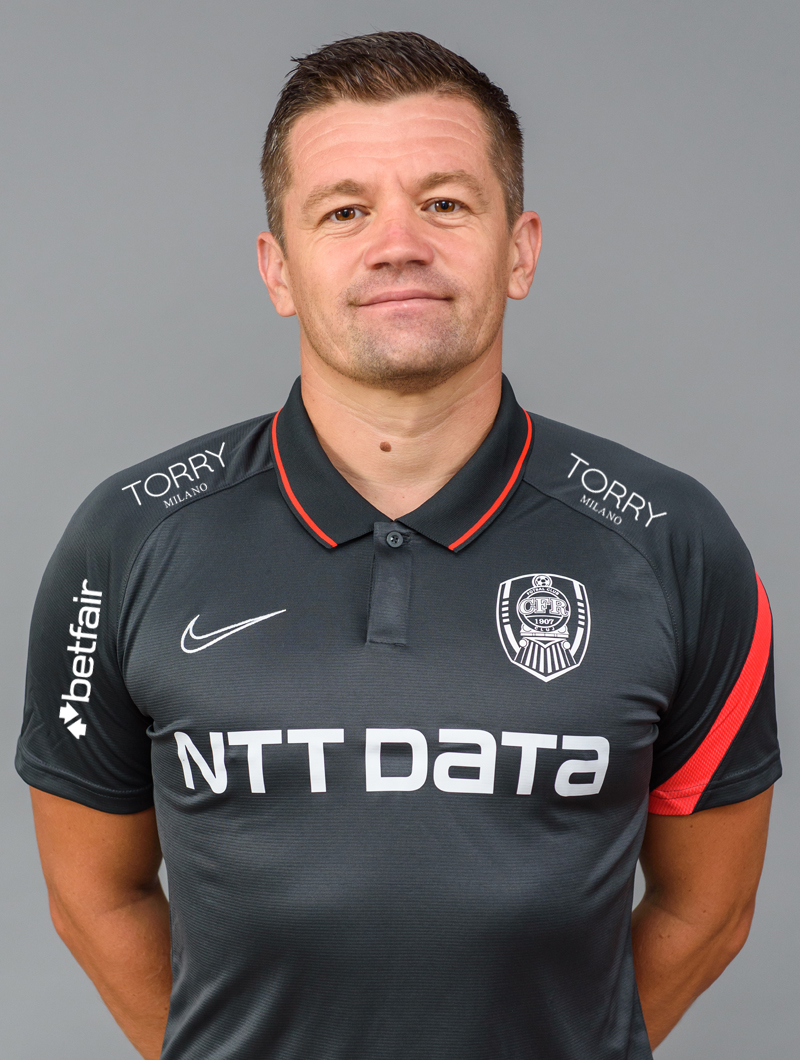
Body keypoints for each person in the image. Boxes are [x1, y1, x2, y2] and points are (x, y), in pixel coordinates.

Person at [17, 30, 780, 1060]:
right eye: (344, 211)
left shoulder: (674, 543)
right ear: (278, 268)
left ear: (520, 249)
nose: (398, 245)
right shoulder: (127, 537)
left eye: (445, 203)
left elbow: (709, 909)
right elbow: (91, 897)